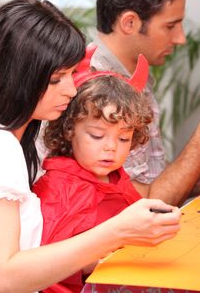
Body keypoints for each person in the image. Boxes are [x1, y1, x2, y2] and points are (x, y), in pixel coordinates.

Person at [0, 0, 182, 293]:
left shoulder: (17, 142)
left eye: (71, 74)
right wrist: (118, 231)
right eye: (57, 78)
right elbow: (0, 278)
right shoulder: (0, 147)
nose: (70, 90)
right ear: (19, 77)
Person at [89, 0, 200, 203]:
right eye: (171, 26)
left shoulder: (135, 73)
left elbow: (154, 183)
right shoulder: (95, 88)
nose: (181, 38)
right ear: (129, 23)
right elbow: (139, 205)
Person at [33, 52, 159, 292]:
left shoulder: (116, 176)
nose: (111, 147)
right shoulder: (58, 189)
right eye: (97, 135)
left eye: (124, 138)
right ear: (69, 129)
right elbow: (49, 263)